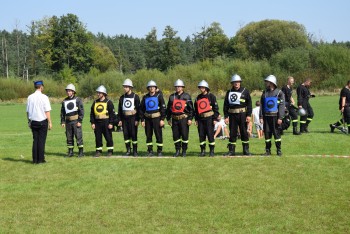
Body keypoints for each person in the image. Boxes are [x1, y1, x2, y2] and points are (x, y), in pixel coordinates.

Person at [223, 74, 252, 156]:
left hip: (242, 114)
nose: (236, 83)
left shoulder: (245, 91)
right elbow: (225, 105)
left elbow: (249, 104)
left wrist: (249, 115)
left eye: (238, 82)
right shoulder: (229, 92)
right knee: (232, 133)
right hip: (232, 115)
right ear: (232, 83)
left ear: (240, 82)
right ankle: (231, 151)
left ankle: (245, 150)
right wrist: (226, 116)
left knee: (243, 132)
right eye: (235, 82)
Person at [26, 80, 52, 164]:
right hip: (42, 121)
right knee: (41, 141)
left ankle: (35, 160)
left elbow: (28, 111)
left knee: (35, 140)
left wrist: (29, 121)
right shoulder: (44, 97)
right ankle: (40, 159)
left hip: (33, 121)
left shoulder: (30, 97)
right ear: (41, 87)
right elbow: (47, 111)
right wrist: (50, 122)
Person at [166, 79, 194, 157]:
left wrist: (190, 119)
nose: (178, 88)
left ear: (182, 87)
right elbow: (168, 108)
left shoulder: (186, 96)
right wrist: (168, 119)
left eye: (179, 86)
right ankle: (177, 150)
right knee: (176, 135)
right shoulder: (172, 97)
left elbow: (191, 109)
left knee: (184, 135)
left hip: (184, 118)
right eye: (176, 86)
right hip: (174, 119)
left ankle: (184, 151)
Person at [259, 75, 285, 156]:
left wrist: (280, 117)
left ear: (272, 83)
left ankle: (279, 150)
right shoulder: (265, 93)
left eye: (267, 81)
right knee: (267, 134)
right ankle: (268, 150)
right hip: (266, 117)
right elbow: (262, 105)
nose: (266, 83)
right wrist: (261, 116)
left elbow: (281, 105)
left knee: (276, 134)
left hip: (275, 117)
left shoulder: (279, 93)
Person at [140, 80, 166, 156]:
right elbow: (141, 109)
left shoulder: (159, 96)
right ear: (148, 88)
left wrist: (162, 119)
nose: (151, 88)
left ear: (155, 88)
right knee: (148, 135)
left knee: (158, 135)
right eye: (150, 87)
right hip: (147, 119)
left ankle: (159, 151)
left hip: (157, 118)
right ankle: (150, 150)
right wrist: (142, 120)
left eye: (153, 87)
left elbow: (163, 108)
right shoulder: (145, 97)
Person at [194, 80, 220, 157]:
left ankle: (212, 151)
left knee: (210, 135)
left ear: (206, 88)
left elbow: (216, 109)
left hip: (209, 118)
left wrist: (214, 119)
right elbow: (195, 110)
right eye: (200, 87)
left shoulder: (211, 96)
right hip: (201, 119)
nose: (201, 89)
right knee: (201, 135)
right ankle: (202, 151)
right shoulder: (198, 97)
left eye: (202, 87)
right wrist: (196, 119)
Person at [60, 84, 85, 158]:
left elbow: (81, 111)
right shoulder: (64, 101)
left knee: (78, 136)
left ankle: (81, 152)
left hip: (76, 121)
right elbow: (62, 112)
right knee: (69, 137)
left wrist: (80, 121)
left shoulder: (78, 100)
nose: (68, 92)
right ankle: (70, 152)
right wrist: (63, 122)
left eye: (70, 91)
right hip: (68, 122)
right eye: (67, 91)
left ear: (73, 92)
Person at [118, 79, 141, 156]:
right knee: (126, 135)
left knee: (134, 135)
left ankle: (135, 151)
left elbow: (139, 109)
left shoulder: (136, 97)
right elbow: (120, 109)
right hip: (124, 119)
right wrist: (119, 120)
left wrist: (137, 119)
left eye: (126, 87)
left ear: (130, 87)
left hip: (133, 118)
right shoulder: (122, 98)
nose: (125, 88)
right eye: (124, 87)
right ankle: (128, 150)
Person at [90, 85, 115, 157]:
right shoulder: (95, 102)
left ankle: (110, 151)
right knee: (98, 138)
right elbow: (92, 113)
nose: (98, 94)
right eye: (97, 93)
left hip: (106, 122)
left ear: (103, 93)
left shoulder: (108, 102)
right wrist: (92, 122)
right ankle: (98, 151)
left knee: (108, 137)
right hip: (97, 122)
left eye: (99, 93)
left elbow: (112, 114)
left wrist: (111, 123)